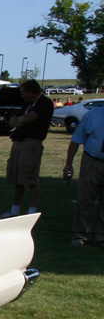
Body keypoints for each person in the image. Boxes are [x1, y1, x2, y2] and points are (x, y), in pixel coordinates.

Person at [0, 80, 54, 218]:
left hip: (31, 144)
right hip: (18, 142)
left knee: (30, 177)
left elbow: (27, 119)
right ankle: (14, 210)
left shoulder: (44, 103)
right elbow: (13, 120)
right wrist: (20, 120)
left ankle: (31, 212)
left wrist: (20, 120)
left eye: (23, 92)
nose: (22, 96)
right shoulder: (28, 104)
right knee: (17, 178)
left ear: (31, 91)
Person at [63, 102, 104, 247]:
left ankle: (102, 238)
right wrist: (69, 164)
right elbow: (75, 141)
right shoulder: (92, 116)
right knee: (85, 199)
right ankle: (80, 236)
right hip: (92, 161)